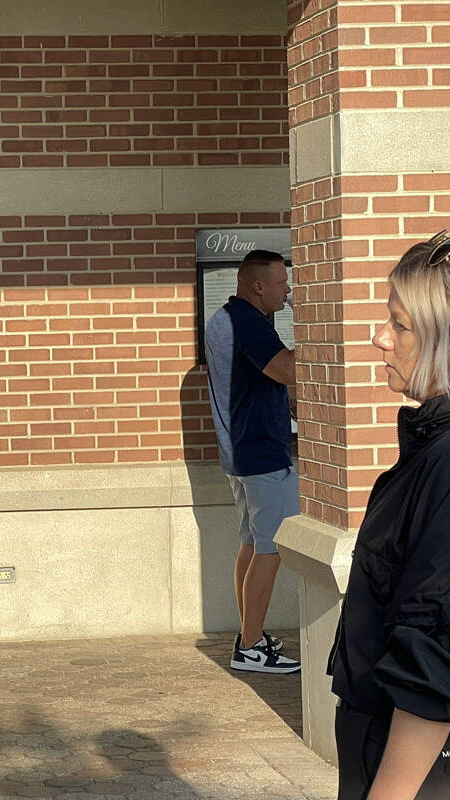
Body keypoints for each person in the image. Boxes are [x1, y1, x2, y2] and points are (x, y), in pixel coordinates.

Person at [329, 230, 450, 799]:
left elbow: (438, 650)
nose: (379, 338)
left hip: (425, 763)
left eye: (402, 325)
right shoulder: (439, 448)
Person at [204, 249, 301, 674]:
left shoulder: (227, 317)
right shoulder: (247, 321)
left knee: (251, 544)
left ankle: (252, 638)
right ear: (258, 285)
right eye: (282, 283)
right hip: (262, 453)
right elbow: (288, 370)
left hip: (241, 454)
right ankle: (251, 646)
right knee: (271, 548)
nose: (288, 290)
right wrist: (316, 325)